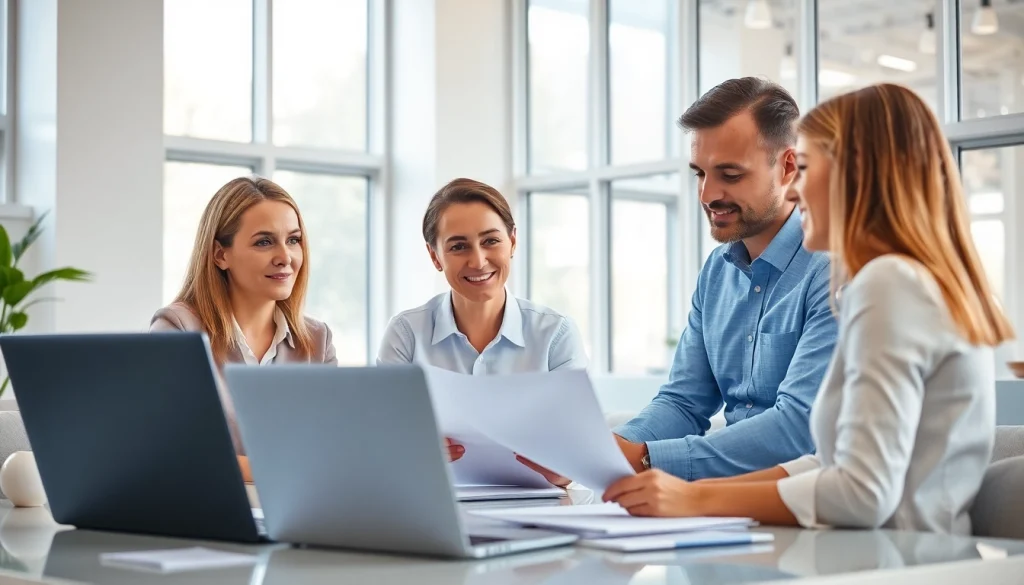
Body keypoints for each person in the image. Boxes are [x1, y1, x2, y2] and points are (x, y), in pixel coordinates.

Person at [603, 83, 1013, 534]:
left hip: (893, 560)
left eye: (807, 168)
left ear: (857, 176)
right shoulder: (900, 279)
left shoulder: (886, 282)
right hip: (861, 546)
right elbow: (827, 462)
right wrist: (669, 487)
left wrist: (690, 494)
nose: (795, 191)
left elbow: (858, 490)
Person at [519, 78, 837, 488]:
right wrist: (603, 451)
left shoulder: (829, 271)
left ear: (788, 167)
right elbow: (684, 403)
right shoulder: (717, 272)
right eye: (699, 173)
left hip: (800, 503)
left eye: (730, 174)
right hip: (720, 501)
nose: (707, 194)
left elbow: (798, 428)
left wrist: (644, 458)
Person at [377, 177, 588, 461]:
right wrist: (413, 449)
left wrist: (565, 466)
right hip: (432, 499)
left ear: (512, 241)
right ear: (434, 256)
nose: (477, 261)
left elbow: (577, 448)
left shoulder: (556, 335)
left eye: (490, 241)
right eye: (458, 246)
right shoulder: (406, 334)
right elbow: (383, 443)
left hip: (538, 503)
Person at [151, 176, 338, 481]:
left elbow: (331, 447)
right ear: (220, 255)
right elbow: (177, 450)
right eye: (264, 242)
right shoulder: (178, 330)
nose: (285, 257)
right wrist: (286, 469)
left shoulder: (317, 340)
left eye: (293, 240)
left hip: (300, 515)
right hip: (206, 514)